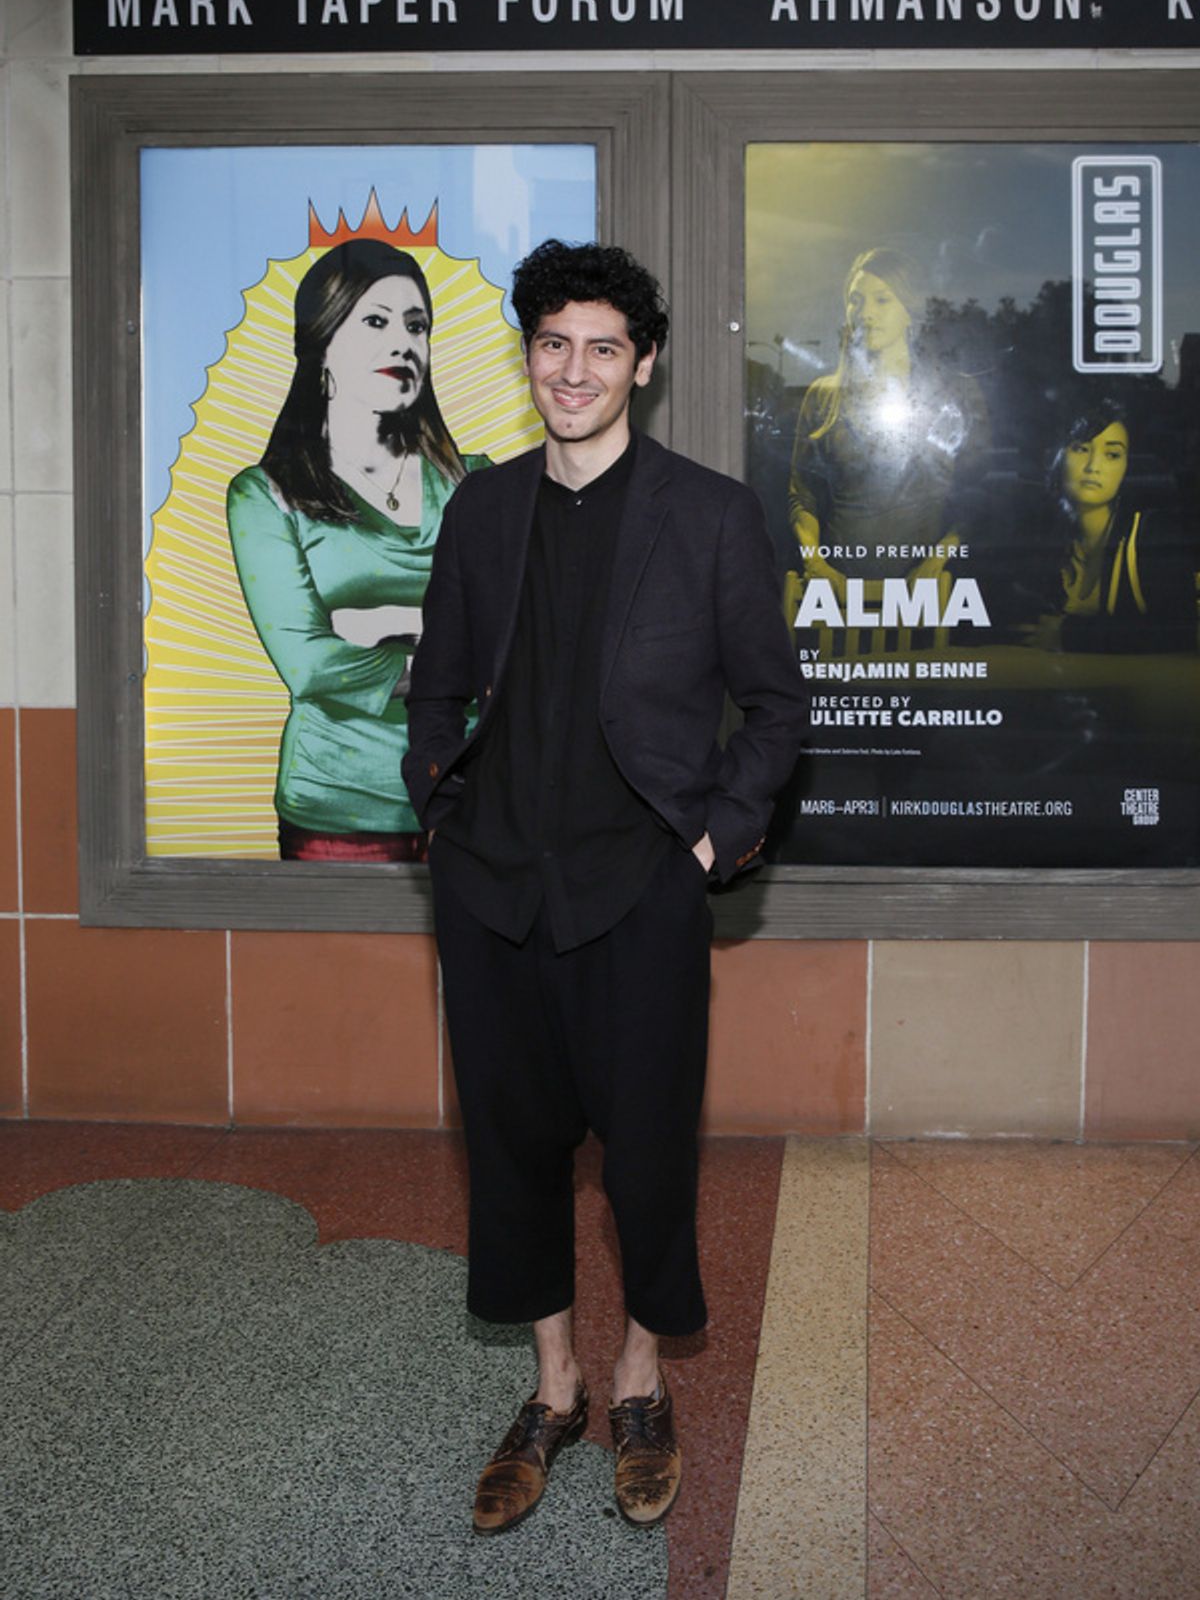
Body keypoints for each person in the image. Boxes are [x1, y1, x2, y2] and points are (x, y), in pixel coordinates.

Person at [403, 239, 808, 1534]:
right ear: (529, 357)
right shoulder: (483, 508)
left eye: (602, 348)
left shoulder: (707, 516)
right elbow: (436, 688)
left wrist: (709, 847)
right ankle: (556, 1388)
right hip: (494, 895)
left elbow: (776, 708)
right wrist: (441, 815)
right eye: (552, 344)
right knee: (513, 1158)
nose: (574, 371)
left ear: (645, 364)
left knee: (643, 1161)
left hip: (638, 896)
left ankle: (640, 1381)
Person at [227, 237, 486, 861]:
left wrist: (376, 625)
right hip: (340, 809)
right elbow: (310, 666)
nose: (404, 342)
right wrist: (450, 650)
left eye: (417, 326)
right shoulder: (266, 495)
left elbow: (517, 634)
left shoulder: (475, 482)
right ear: (322, 347)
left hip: (473, 797)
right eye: (375, 321)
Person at [788, 247, 989, 603]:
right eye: (855, 300)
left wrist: (939, 561)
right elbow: (802, 495)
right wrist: (817, 565)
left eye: (882, 300)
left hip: (928, 600)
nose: (865, 313)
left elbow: (975, 496)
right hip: (837, 600)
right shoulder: (824, 396)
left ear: (910, 310)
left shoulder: (953, 392)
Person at [1017, 400, 1197, 655]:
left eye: (1112, 454)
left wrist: (1073, 635)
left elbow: (1184, 636)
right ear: (1057, 457)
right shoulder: (1040, 537)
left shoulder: (1151, 537)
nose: (1093, 466)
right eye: (1081, 449)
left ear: (1127, 466)